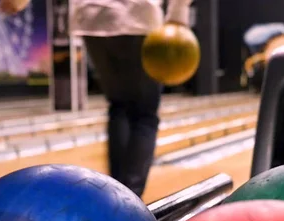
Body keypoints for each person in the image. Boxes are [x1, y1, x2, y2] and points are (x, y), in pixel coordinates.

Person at [69, 0, 193, 198]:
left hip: (92, 16)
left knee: (118, 106)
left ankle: (114, 195)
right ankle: (130, 199)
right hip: (138, 15)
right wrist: (178, 13)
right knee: (144, 115)